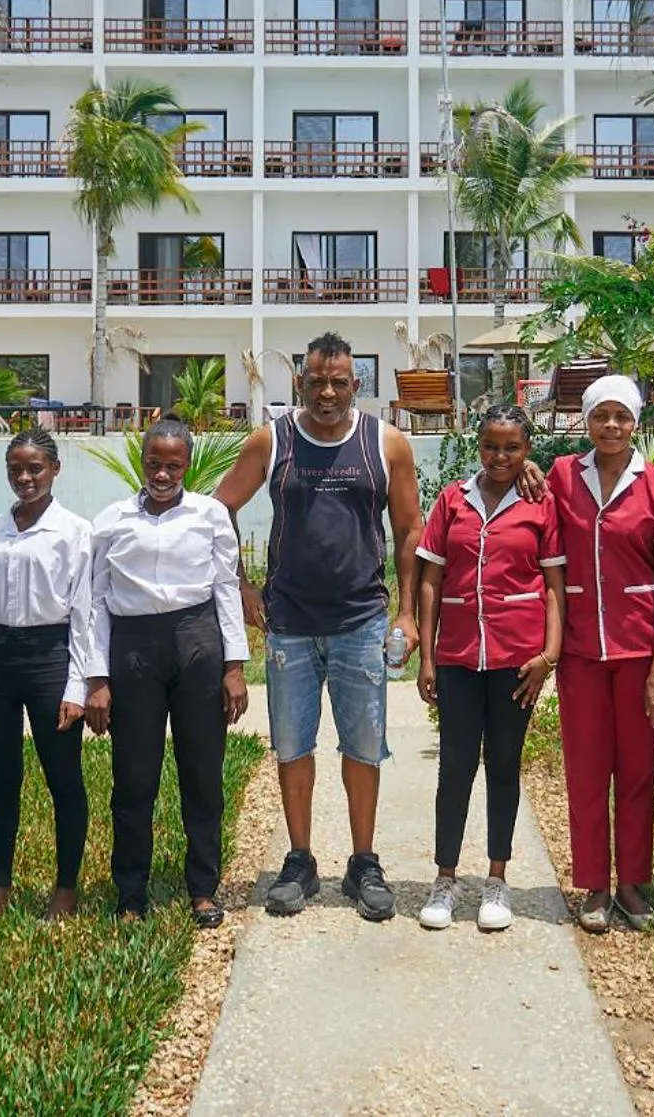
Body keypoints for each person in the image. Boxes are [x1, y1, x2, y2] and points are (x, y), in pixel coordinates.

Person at [215, 332, 423, 923]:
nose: (326, 392)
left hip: (361, 621)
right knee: (292, 745)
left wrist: (406, 612)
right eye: (315, 381)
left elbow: (410, 530)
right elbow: (219, 506)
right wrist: (241, 583)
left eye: (339, 382)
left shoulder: (385, 443)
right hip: (289, 626)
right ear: (299, 385)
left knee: (363, 747)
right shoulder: (272, 440)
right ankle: (300, 860)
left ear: (356, 386)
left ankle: (363, 862)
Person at [91, 418, 251, 926]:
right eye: (154, 463)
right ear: (142, 461)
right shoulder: (111, 520)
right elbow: (95, 601)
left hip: (196, 642)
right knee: (134, 777)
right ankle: (131, 893)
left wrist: (234, 666)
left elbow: (226, 587)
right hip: (133, 646)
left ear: (188, 463)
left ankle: (203, 887)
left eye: (174, 464)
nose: (163, 473)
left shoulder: (209, 515)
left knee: (202, 773)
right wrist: (97, 677)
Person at [413, 404, 564, 933]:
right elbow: (430, 578)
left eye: (512, 447)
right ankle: (446, 878)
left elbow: (552, 587)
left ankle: (497, 878)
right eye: (491, 446)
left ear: (527, 450)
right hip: (457, 657)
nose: (500, 457)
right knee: (454, 767)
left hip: (516, 661)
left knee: (504, 764)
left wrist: (548, 656)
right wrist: (428, 655)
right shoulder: (453, 500)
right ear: (478, 446)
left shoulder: (539, 504)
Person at [547, 374, 654, 933]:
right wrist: (533, 469)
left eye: (622, 417)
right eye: (601, 416)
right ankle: (594, 886)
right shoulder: (563, 475)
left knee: (636, 771)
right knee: (585, 771)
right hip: (581, 650)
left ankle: (631, 882)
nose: (611, 426)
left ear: (636, 423)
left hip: (637, 650)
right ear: (586, 421)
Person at [0, 430, 96, 926]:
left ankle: (66, 890)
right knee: (2, 781)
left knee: (63, 779)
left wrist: (78, 686)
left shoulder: (75, 531)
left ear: (55, 469)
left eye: (35, 468)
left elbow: (84, 614)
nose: (25, 478)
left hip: (49, 657)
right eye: (15, 469)